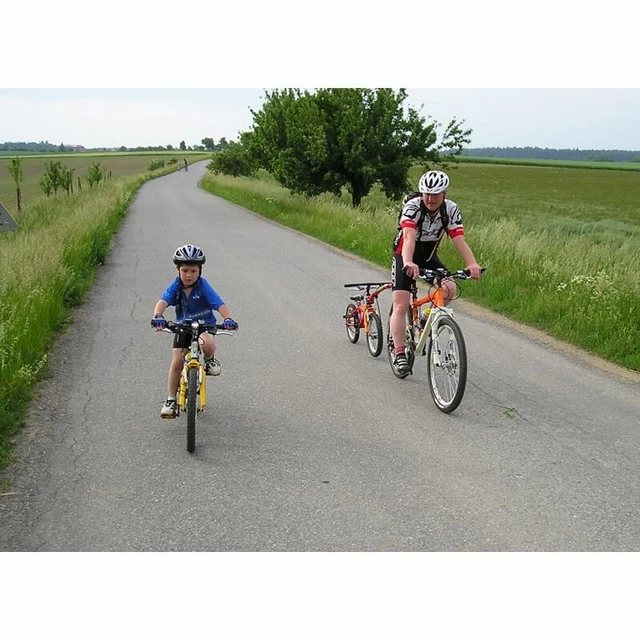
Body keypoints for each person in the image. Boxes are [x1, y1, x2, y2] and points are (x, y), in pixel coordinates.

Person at [389, 170, 482, 374]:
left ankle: (426, 318)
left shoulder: (450, 210)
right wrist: (408, 262)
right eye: (426, 194)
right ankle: (399, 353)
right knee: (402, 305)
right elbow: (409, 236)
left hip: (429, 256)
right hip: (405, 254)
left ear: (445, 194)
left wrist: (472, 264)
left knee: (449, 288)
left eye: (436, 194)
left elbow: (458, 239)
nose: (430, 199)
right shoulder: (413, 206)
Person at [151, 244, 238, 418]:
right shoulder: (175, 286)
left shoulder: (203, 286)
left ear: (200, 272)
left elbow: (218, 303)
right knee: (176, 362)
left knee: (208, 343)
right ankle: (170, 400)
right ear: (178, 271)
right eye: (185, 271)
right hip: (183, 327)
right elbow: (163, 301)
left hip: (204, 326)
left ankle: (210, 360)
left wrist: (227, 319)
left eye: (193, 271)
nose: (189, 275)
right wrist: (158, 315)